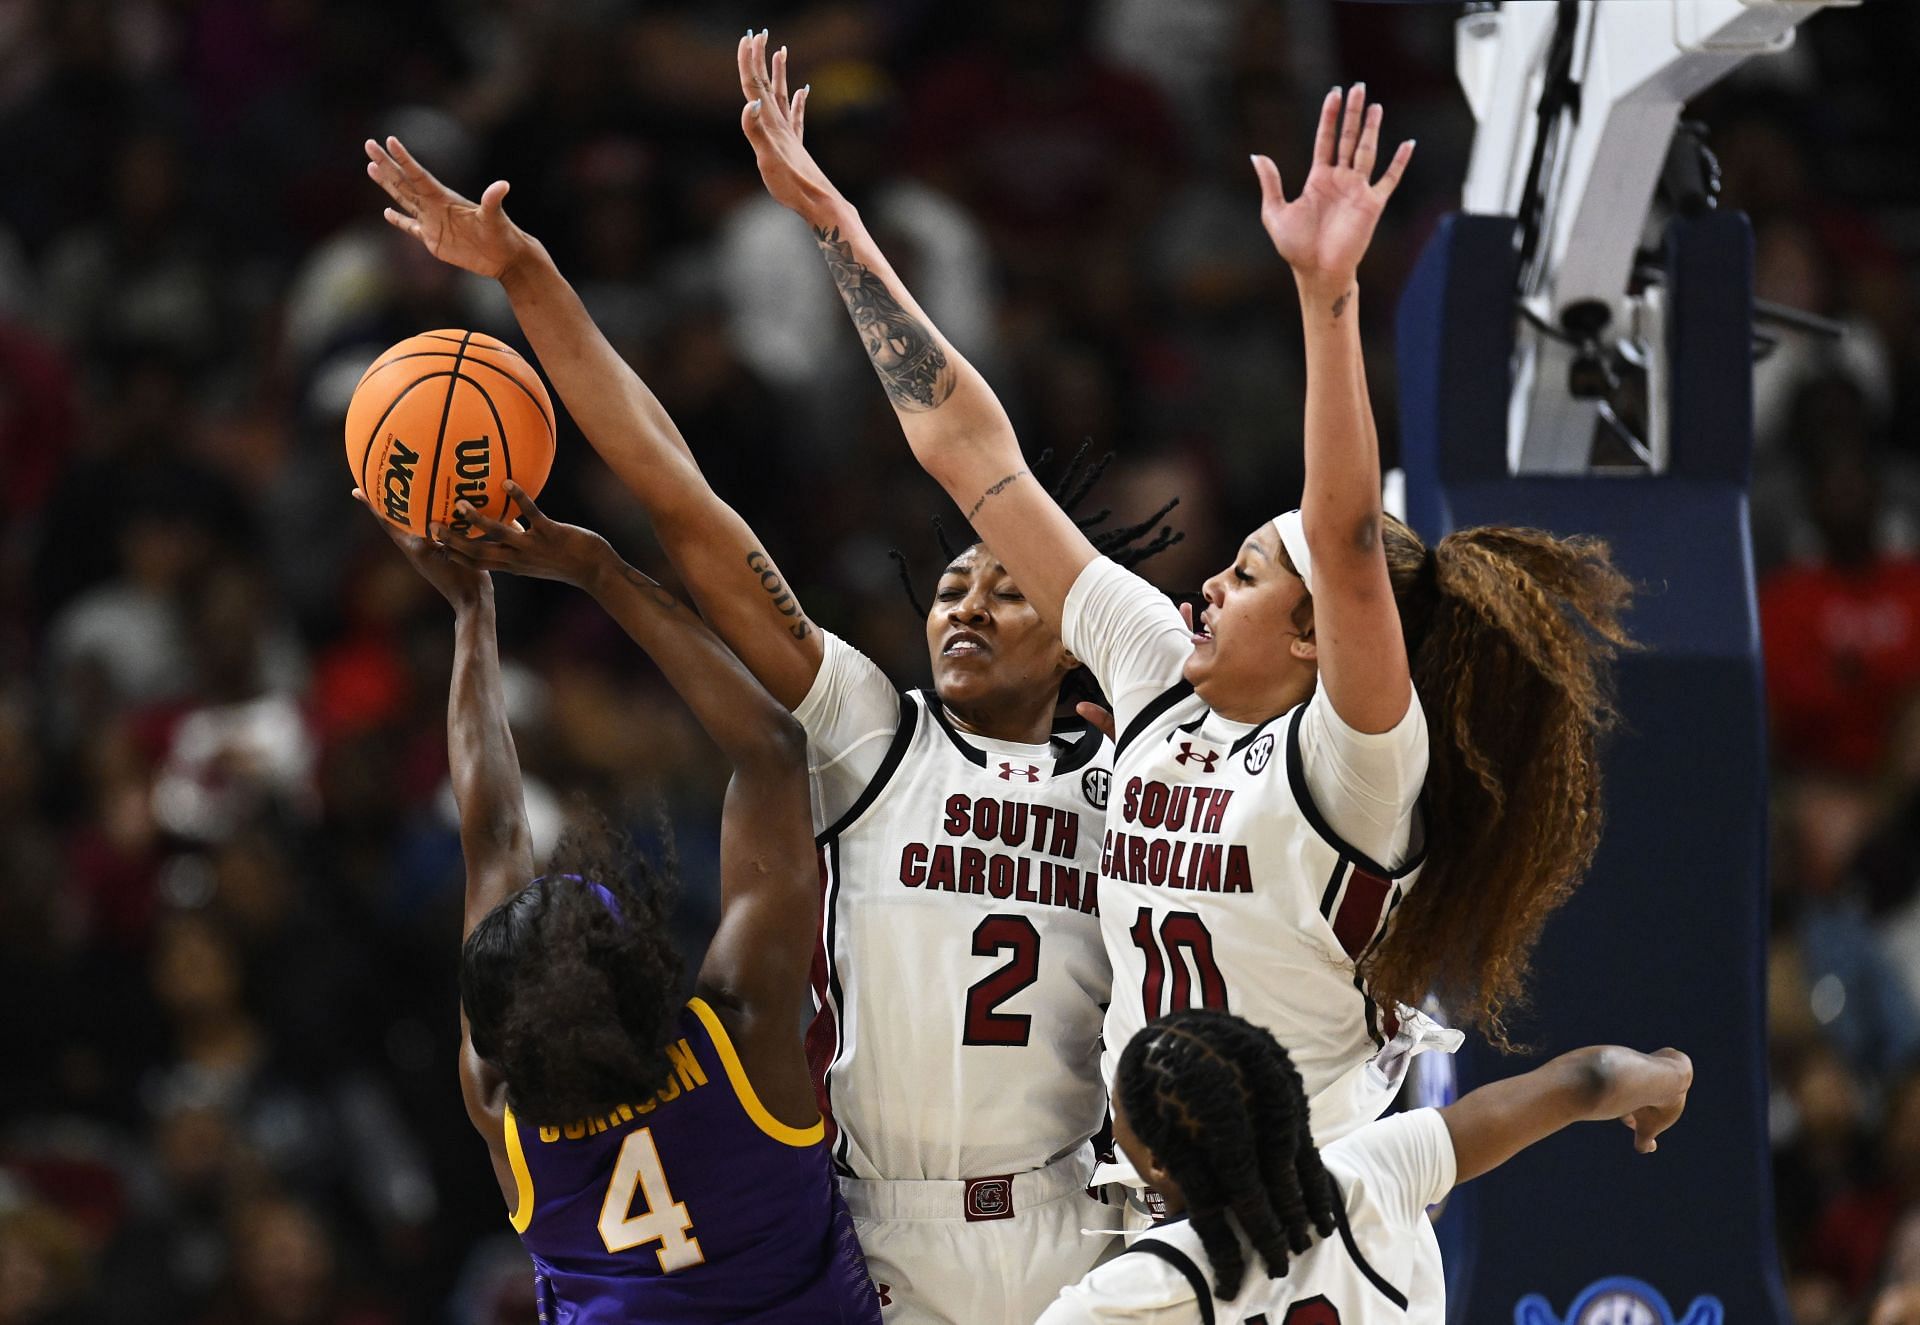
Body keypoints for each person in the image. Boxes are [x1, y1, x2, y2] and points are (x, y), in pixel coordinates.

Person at [739, 36, 1634, 1148]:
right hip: (1157, 1214)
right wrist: (836, 223)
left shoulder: (1356, 767)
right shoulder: (1160, 667)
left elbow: (1348, 538)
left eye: (1249, 574)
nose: (1208, 581)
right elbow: (976, 454)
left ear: (1317, 637)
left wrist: (1327, 295)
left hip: (1312, 1217)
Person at [365, 114, 1179, 1322]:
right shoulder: (869, 732)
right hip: (881, 1232)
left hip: (1076, 1217)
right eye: (953, 580)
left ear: (1083, 639)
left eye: (1010, 585)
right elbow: (681, 501)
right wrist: (530, 278)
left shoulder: (1140, 770)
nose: (964, 595)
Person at [351, 488, 880, 1322]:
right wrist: (597, 569)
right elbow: (774, 750)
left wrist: (468, 613)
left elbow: (492, 839)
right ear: (645, 961)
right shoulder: (737, 1040)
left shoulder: (504, 1113)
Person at [1037, 1009, 1692, 1322]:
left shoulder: (1130, 1291)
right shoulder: (1376, 1169)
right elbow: (1591, 1077)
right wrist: (1672, 1076)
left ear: (1152, 1160)